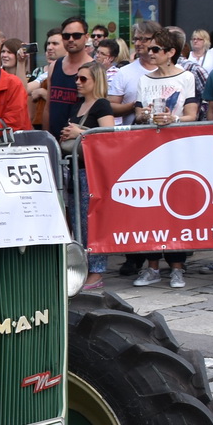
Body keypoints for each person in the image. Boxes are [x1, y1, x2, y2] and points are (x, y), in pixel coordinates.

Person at [129, 29, 201, 289]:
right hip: (149, 148)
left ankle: (177, 267)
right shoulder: (144, 80)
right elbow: (137, 115)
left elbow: (193, 114)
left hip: (177, 148)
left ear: (171, 53)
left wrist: (175, 119)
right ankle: (151, 266)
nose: (150, 53)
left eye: (156, 49)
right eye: (149, 48)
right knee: (149, 207)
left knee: (177, 205)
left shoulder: (187, 77)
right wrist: (145, 115)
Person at [58, 61, 116, 291]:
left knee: (92, 221)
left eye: (84, 79)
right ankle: (81, 266)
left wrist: (79, 132)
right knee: (77, 221)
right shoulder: (78, 105)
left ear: (96, 81)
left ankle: (96, 270)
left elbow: (108, 136)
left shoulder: (102, 105)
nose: (78, 83)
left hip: (91, 170)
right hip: (74, 167)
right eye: (77, 78)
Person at [30, 18, 96, 138]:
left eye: (76, 35)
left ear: (86, 37)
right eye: (66, 36)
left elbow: (101, 109)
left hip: (79, 143)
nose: (71, 39)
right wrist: (48, 139)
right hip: (55, 140)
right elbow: (48, 108)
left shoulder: (95, 68)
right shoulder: (55, 66)